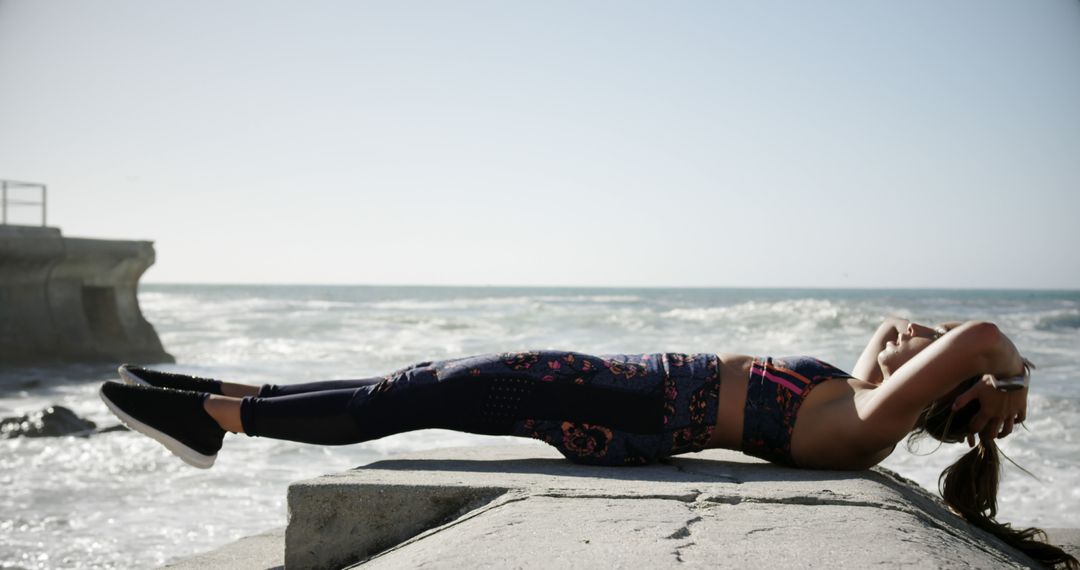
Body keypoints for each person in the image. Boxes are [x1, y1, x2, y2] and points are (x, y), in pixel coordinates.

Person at [98, 318, 1077, 569]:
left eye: (930, 357)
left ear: (937, 392)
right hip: (633, 392)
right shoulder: (862, 402)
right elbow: (903, 338)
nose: (907, 340)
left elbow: (980, 343)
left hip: (630, 411)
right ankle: (206, 400)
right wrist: (959, 372)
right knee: (412, 388)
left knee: (415, 395)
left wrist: (1012, 383)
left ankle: (214, 421)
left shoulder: (864, 427)